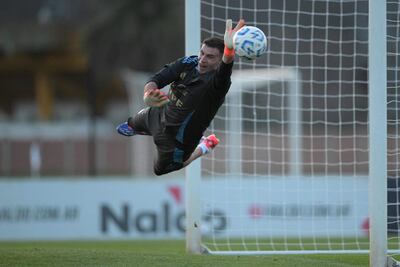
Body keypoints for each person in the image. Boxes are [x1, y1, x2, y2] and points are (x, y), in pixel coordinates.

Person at [117, 19, 245, 176]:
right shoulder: (188, 63)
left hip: (177, 141)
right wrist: (147, 95)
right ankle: (145, 126)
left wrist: (229, 52)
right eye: (202, 53)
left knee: (162, 169)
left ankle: (204, 146)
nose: (203, 59)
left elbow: (225, 69)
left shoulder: (217, 84)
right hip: (158, 114)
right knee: (125, 128)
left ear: (219, 61)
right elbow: (156, 79)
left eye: (210, 57)